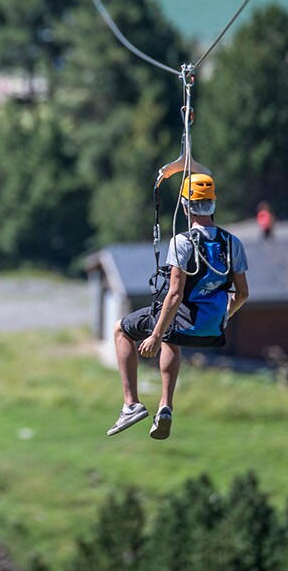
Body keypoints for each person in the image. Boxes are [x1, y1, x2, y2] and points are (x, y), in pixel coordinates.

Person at [107, 173, 248, 440]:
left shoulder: (182, 242)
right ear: (213, 204)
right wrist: (223, 317)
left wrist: (154, 336)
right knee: (174, 333)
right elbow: (242, 293)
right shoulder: (233, 244)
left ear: (185, 206)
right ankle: (165, 406)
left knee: (121, 330)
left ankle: (131, 404)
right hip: (212, 329)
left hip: (183, 320)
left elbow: (174, 295)